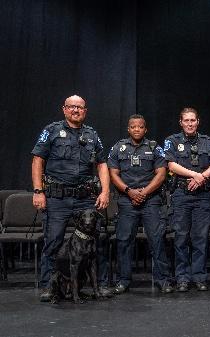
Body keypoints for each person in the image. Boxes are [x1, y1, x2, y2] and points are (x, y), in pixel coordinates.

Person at [32, 95, 112, 302]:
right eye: (72, 107)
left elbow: (102, 164)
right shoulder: (51, 131)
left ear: (85, 111)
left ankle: (100, 285)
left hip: (85, 199)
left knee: (97, 243)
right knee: (53, 242)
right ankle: (49, 286)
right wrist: (38, 191)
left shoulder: (92, 134)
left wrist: (104, 191)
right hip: (57, 199)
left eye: (80, 107)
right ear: (64, 109)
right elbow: (37, 160)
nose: (76, 110)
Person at [107, 114, 174, 294]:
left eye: (140, 127)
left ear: (146, 129)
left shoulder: (154, 148)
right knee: (124, 242)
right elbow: (113, 174)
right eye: (133, 127)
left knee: (157, 241)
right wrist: (129, 191)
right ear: (128, 129)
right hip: (127, 200)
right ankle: (123, 280)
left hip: (151, 200)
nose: (137, 129)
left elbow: (161, 174)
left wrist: (144, 192)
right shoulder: (118, 148)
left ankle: (163, 280)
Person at [164, 107, 210, 292]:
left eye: (192, 120)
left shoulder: (208, 142)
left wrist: (201, 178)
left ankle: (200, 277)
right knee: (181, 238)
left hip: (203, 195)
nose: (189, 124)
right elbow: (170, 164)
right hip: (181, 194)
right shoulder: (171, 141)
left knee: (200, 238)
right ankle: (182, 278)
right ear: (181, 122)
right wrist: (197, 175)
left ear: (198, 122)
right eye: (186, 120)